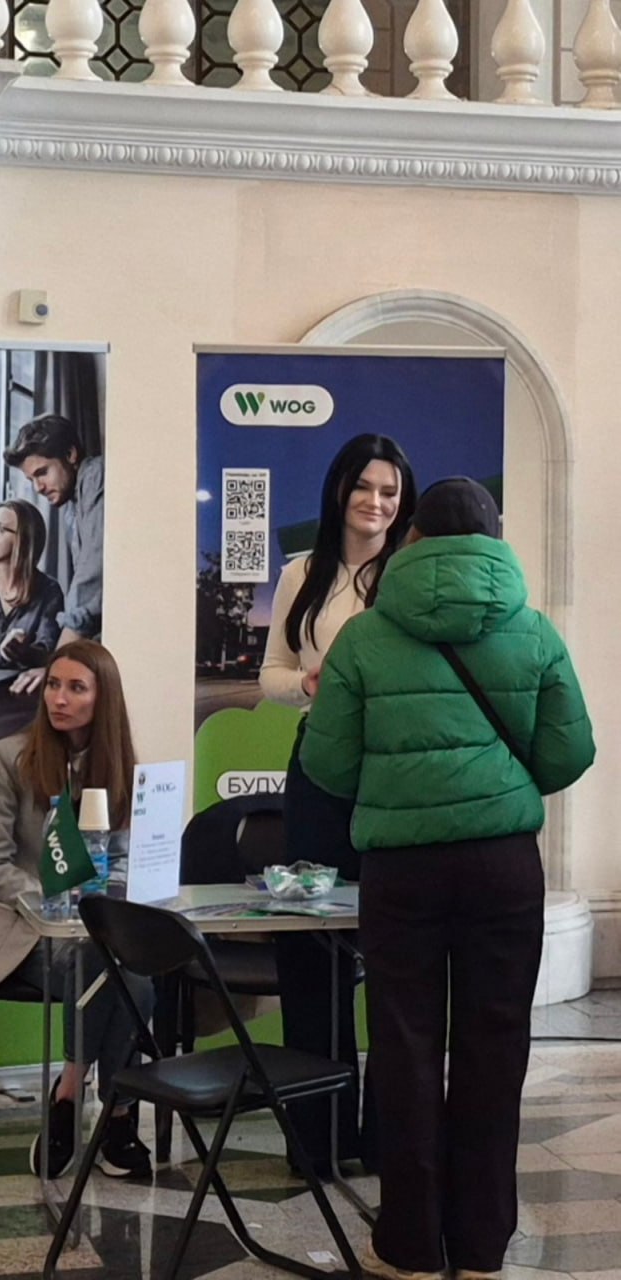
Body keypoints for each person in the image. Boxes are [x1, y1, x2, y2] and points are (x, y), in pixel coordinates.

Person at [300, 478, 595, 1280]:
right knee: (496, 1045)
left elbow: (326, 763)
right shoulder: (535, 631)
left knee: (405, 1046)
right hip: (504, 866)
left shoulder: (363, 637)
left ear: (415, 539)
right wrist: (501, 783)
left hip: (401, 869)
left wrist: (397, 785)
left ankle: (410, 1245)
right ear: (495, 541)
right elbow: (570, 752)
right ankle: (481, 1245)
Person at [259, 434, 417, 1175]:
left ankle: (387, 1139)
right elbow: (271, 672)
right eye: (364, 487)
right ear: (339, 490)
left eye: (389, 491)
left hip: (393, 769)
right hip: (317, 763)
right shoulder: (301, 572)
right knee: (311, 943)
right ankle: (317, 1140)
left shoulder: (411, 571)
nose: (376, 503)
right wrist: (308, 684)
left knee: (394, 950)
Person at [0, 640, 154, 1181]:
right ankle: (114, 1116)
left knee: (120, 966)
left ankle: (73, 1091)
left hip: (96, 933)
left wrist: (105, 905)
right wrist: (57, 900)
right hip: (24, 930)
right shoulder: (9, 758)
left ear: (103, 699)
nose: (58, 698)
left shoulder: (122, 766)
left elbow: (124, 859)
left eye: (76, 688)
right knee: (113, 969)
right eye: (53, 685)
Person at [4, 414, 103, 692]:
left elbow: (93, 576)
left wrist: (57, 668)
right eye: (31, 479)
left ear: (70, 454)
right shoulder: (72, 505)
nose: (38, 488)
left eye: (42, 473)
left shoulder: (96, 474)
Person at [0, 499, 64, 670]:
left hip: (22, 683)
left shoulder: (48, 590)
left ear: (24, 538)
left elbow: (48, 651)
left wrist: (25, 652)